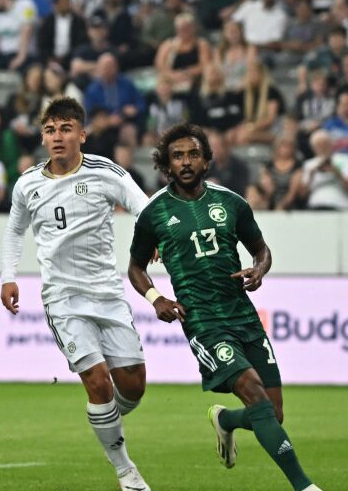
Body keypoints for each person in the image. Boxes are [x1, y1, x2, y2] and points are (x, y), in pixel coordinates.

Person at [128, 123, 322, 491]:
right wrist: (157, 299)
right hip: (202, 319)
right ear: (167, 165)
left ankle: (226, 421)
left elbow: (261, 249)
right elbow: (135, 267)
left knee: (272, 413)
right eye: (178, 156)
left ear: (206, 160)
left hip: (242, 313)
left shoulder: (232, 203)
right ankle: (305, 486)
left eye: (193, 154)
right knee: (253, 392)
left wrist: (259, 269)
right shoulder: (154, 213)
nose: (186, 162)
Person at [0, 98, 151, 491]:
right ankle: (126, 471)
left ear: (82, 134)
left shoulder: (105, 171)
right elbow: (16, 231)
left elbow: (142, 206)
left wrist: (153, 239)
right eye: (50, 130)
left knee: (133, 386)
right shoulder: (27, 184)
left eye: (66, 128)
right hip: (63, 298)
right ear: (42, 137)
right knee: (98, 382)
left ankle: (104, 419)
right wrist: (8, 275)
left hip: (107, 293)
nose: (57, 137)